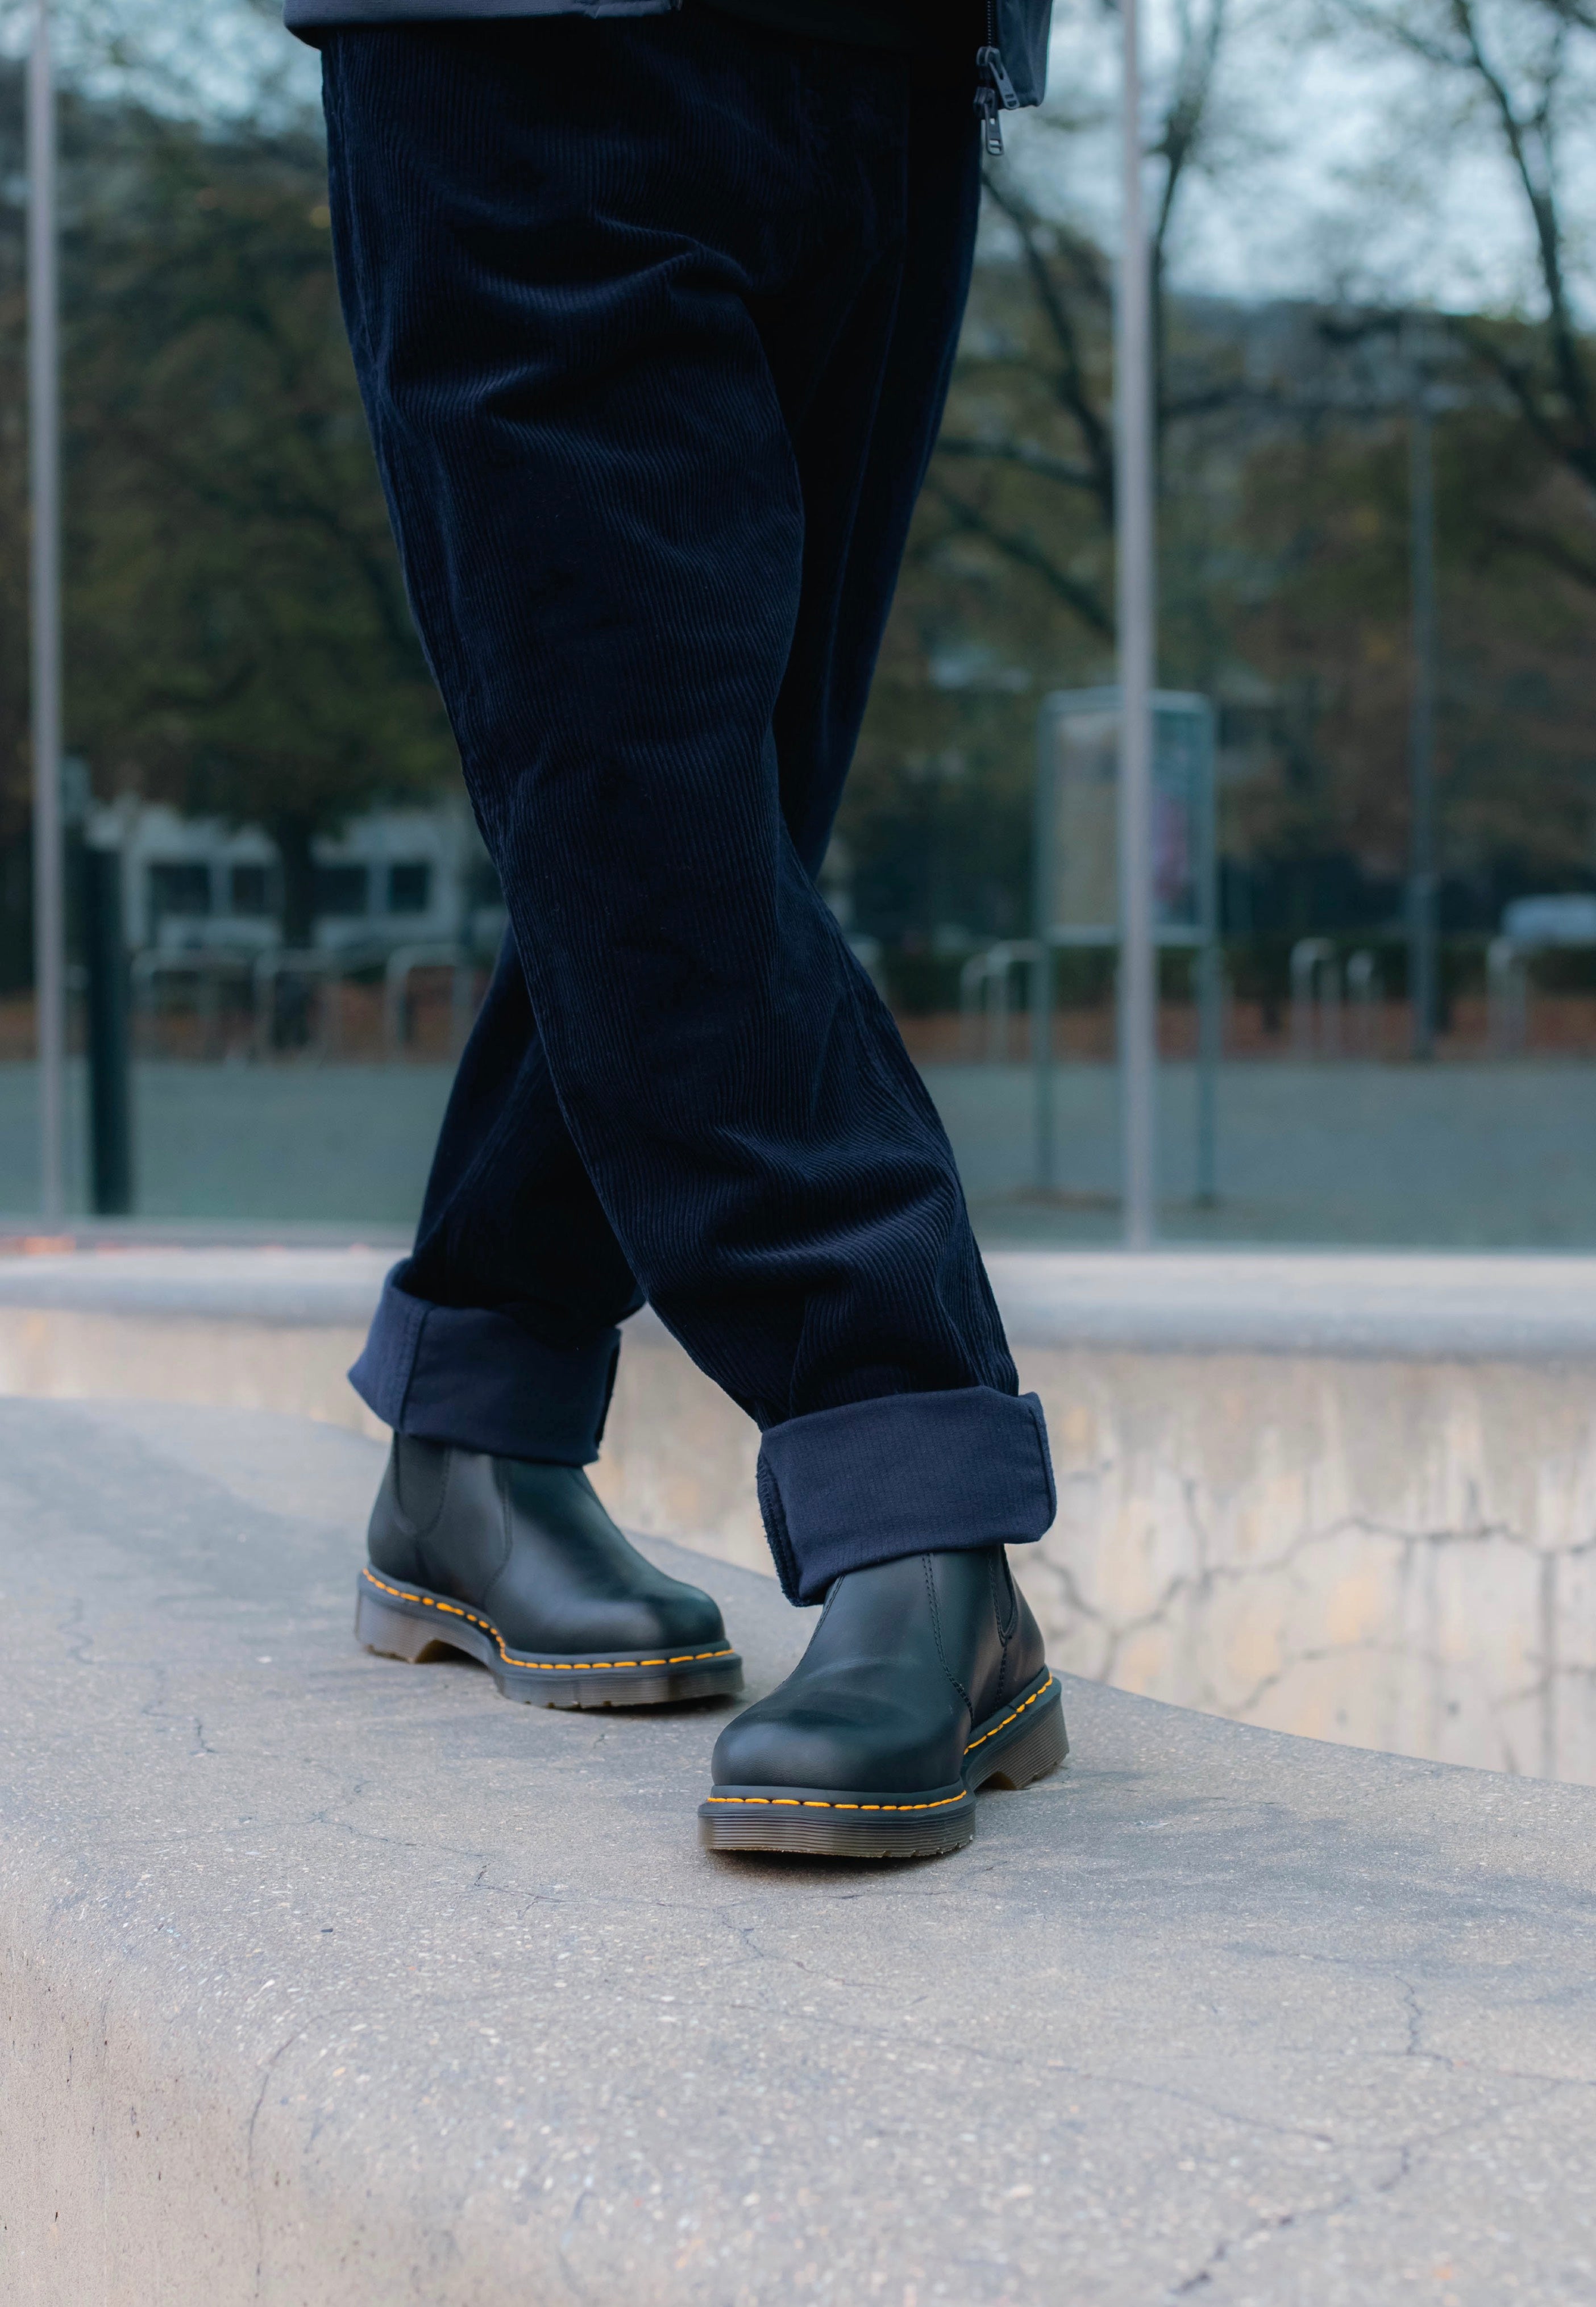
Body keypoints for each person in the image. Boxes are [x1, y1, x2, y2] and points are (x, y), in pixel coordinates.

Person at [289, 0, 1067, 1857]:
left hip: (897, 65)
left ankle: (476, 1410)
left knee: (732, 799)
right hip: (521, 54)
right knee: (633, 783)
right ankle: (905, 1469)